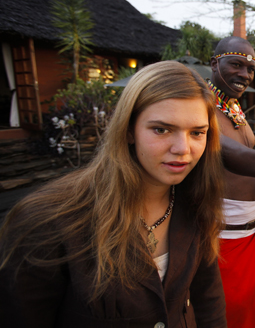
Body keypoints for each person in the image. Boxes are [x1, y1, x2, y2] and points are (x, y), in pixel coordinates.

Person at [0, 61, 227, 327]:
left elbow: (208, 301)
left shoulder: (197, 204)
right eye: (161, 129)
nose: (182, 148)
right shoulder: (47, 221)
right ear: (129, 129)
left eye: (197, 132)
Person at [207, 36, 255, 328]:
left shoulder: (235, 107)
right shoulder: (200, 107)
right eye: (236, 64)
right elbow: (220, 149)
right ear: (214, 63)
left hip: (253, 230)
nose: (244, 74)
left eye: (250, 68)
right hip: (221, 237)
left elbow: (246, 152)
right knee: (230, 313)